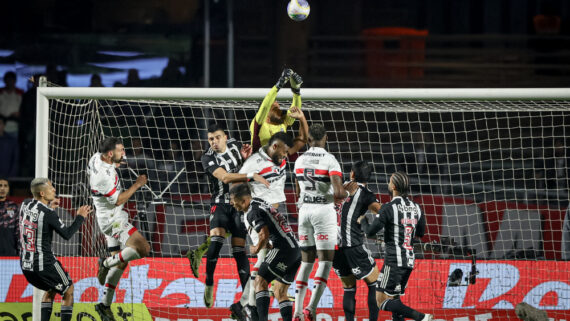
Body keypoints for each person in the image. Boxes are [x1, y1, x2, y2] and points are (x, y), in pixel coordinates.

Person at [229, 128, 306, 321]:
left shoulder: (278, 156)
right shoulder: (255, 162)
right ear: (275, 146)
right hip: (267, 223)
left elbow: (301, 141)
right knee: (273, 279)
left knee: (263, 268)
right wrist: (249, 174)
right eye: (284, 152)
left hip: (271, 224)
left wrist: (299, 111)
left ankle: (247, 306)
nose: (286, 156)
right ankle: (248, 306)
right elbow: (233, 186)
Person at [189, 123, 269, 308]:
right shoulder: (207, 157)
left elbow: (242, 163)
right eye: (210, 139)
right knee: (216, 240)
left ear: (225, 137)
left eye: (217, 137)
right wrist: (251, 175)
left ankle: (247, 298)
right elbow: (224, 177)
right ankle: (209, 283)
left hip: (239, 205)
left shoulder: (234, 144)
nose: (214, 142)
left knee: (239, 251)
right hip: (220, 203)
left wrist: (245, 159)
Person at [88, 137, 152, 321]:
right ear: (110, 154)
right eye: (121, 150)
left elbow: (104, 169)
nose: (124, 153)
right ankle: (105, 263)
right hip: (112, 220)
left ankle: (104, 304)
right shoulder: (102, 177)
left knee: (122, 261)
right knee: (142, 248)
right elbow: (118, 200)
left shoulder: (96, 158)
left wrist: (114, 165)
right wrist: (137, 184)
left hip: (109, 214)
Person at [359, 171, 432, 321]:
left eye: (389, 181)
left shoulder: (389, 207)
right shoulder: (417, 207)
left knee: (380, 301)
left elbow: (370, 231)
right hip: (409, 261)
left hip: (393, 262)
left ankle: (420, 317)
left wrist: (363, 221)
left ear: (393, 186)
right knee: (395, 300)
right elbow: (421, 232)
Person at [293, 123, 348, 321]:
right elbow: (339, 193)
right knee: (325, 261)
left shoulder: (299, 160)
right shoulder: (329, 160)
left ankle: (297, 311)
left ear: (308, 140)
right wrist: (348, 190)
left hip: (304, 211)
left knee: (306, 262)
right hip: (323, 211)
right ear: (325, 138)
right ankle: (311, 308)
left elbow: (298, 192)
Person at [19, 178, 92, 321]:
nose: (54, 190)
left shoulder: (25, 204)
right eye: (51, 188)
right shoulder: (48, 213)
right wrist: (80, 217)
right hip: (44, 264)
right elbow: (67, 234)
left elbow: (36, 219)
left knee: (51, 289)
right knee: (68, 290)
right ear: (42, 193)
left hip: (26, 266)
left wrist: (49, 207)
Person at [230, 183, 301, 321]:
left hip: (283, 250)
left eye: (234, 201)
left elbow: (264, 233)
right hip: (295, 250)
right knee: (280, 291)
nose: (232, 204)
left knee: (260, 281)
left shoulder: (252, 212)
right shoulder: (260, 202)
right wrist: (267, 242)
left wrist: (257, 247)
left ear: (244, 200)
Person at [333, 161, 382, 321]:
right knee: (375, 282)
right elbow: (382, 212)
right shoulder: (366, 194)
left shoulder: (338, 186)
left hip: (333, 247)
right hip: (352, 245)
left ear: (352, 174)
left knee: (348, 288)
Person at [250, 68, 304, 153]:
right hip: (261, 164)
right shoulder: (259, 124)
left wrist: (296, 91)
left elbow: (295, 111)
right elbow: (265, 106)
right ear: (266, 114)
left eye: (278, 108)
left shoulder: (283, 122)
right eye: (274, 109)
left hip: (280, 164)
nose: (278, 109)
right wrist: (280, 83)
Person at [0, 178, 19, 256]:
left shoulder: (13, 207)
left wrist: (19, 251)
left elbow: (18, 230)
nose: (2, 188)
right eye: (0, 185)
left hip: (9, 252)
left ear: (8, 189)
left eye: (5, 186)